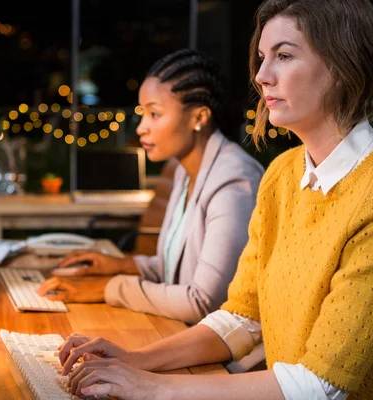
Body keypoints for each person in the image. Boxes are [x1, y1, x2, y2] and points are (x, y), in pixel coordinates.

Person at [49, 0, 373, 398]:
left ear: (344, 67)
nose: (261, 76)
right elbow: (242, 317)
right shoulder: (283, 175)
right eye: (261, 58)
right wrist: (135, 359)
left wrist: (152, 388)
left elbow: (322, 385)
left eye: (284, 56)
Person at [36, 48, 265, 325]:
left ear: (199, 118)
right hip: (179, 333)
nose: (142, 128)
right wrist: (120, 265)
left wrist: (107, 288)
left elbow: (202, 301)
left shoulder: (235, 181)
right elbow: (177, 270)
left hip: (224, 360)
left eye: (154, 114)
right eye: (142, 114)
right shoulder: (184, 171)